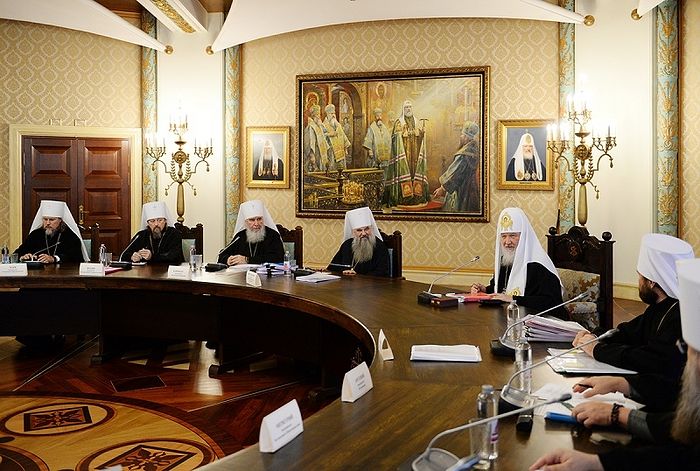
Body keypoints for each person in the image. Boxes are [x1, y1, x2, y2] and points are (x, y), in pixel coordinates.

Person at [529, 258, 700, 471]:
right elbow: (677, 406)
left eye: (687, 348)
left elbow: (682, 451)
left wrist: (617, 415)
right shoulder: (659, 310)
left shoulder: (675, 316)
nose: (685, 355)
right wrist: (622, 383)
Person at [572, 233, 693, 377]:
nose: (639, 282)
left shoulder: (680, 316)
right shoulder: (660, 306)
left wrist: (597, 350)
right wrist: (595, 336)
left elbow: (649, 359)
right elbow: (628, 333)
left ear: (651, 282)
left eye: (640, 276)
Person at [471, 207, 564, 314]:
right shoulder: (506, 260)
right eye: (503, 236)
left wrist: (513, 299)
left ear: (524, 236)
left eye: (512, 236)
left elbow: (552, 302)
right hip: (510, 316)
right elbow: (502, 290)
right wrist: (485, 290)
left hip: (541, 319)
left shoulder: (538, 264)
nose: (507, 242)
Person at [383, 99, 429, 207]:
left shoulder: (417, 121)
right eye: (406, 107)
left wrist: (422, 133)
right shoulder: (399, 122)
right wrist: (401, 134)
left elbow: (420, 138)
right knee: (405, 171)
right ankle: (404, 197)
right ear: (403, 109)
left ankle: (417, 195)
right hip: (404, 153)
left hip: (415, 153)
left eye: (410, 107)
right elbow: (395, 137)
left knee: (414, 171)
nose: (408, 109)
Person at [14, 200, 88, 264]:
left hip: (62, 273)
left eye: (52, 220)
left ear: (60, 220)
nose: (48, 223)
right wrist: (23, 257)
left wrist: (54, 258)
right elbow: (17, 253)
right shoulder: (35, 234)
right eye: (45, 219)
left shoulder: (70, 236)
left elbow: (76, 257)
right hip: (38, 272)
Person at [432, 121, 481, 212]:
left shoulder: (464, 154)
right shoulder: (475, 150)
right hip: (472, 189)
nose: (460, 137)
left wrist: (442, 189)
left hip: (462, 191)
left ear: (467, 137)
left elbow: (455, 173)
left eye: (462, 135)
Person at [217, 199, 284, 266]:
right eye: (252, 220)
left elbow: (278, 257)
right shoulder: (240, 236)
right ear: (245, 222)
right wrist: (228, 259)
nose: (256, 223)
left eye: (259, 219)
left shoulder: (273, 235)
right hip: (242, 272)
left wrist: (247, 260)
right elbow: (222, 254)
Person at [328, 206, 389, 277]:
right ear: (353, 232)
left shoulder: (379, 246)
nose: (363, 233)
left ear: (371, 229)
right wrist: (343, 272)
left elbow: (382, 272)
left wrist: (357, 276)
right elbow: (333, 268)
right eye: (359, 230)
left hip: (370, 283)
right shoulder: (347, 245)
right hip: (346, 283)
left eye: (366, 229)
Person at [119, 201, 184, 264]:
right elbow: (123, 255)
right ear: (147, 223)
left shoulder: (174, 234)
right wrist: (132, 257)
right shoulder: (141, 235)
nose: (156, 224)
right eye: (152, 221)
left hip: (167, 270)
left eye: (160, 220)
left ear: (165, 221)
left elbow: (175, 257)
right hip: (145, 271)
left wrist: (152, 257)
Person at [303, 104, 330, 172]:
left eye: (319, 114)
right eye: (317, 115)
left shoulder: (318, 125)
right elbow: (310, 144)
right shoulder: (311, 127)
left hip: (321, 153)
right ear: (314, 116)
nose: (319, 116)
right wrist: (312, 157)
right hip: (316, 154)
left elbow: (324, 135)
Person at [323, 103, 351, 170]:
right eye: (331, 113)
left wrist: (345, 148)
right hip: (331, 152)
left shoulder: (338, 125)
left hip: (341, 152)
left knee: (341, 169)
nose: (333, 115)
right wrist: (329, 134)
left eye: (334, 113)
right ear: (327, 114)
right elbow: (321, 136)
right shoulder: (323, 125)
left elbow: (343, 136)